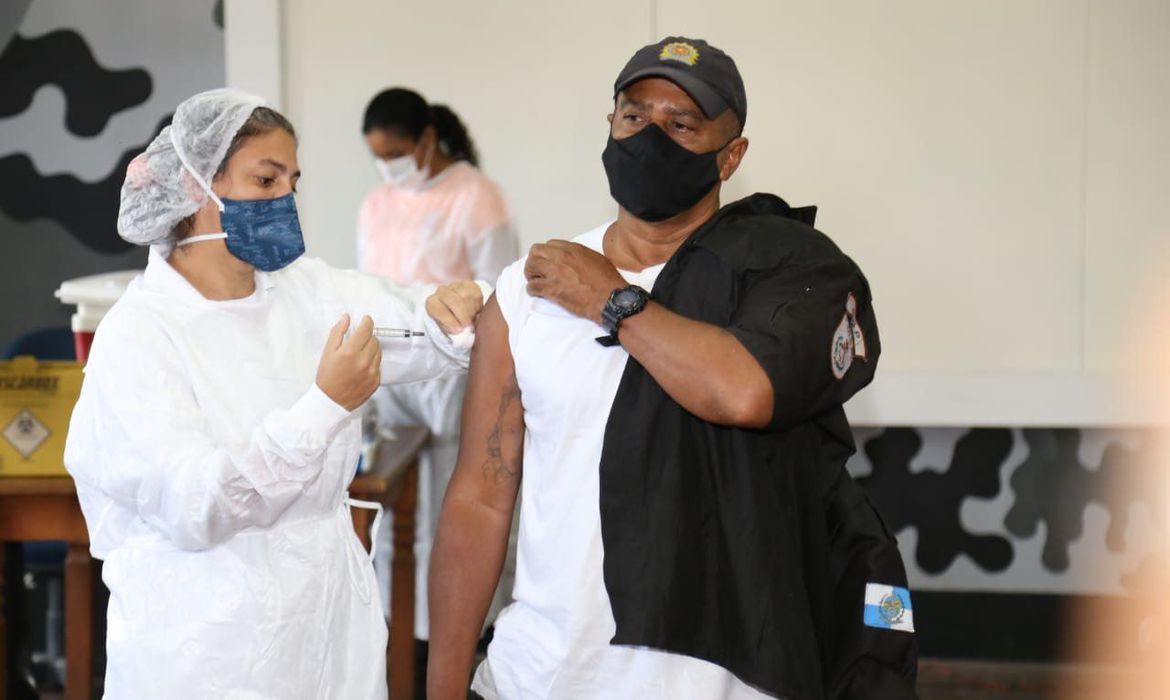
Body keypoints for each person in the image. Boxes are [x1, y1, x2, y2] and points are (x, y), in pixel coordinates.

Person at [427, 37, 918, 699]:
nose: (650, 137)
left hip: (723, 680)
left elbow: (743, 390)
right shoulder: (530, 289)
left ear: (731, 155)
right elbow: (480, 498)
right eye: (634, 116)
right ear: (610, 125)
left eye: (682, 124)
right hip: (539, 675)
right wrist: (442, 685)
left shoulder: (789, 272)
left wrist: (610, 299)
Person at [64, 88, 487, 699]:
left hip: (324, 632)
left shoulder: (302, 291)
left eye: (292, 182)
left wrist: (458, 308)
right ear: (194, 187)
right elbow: (196, 503)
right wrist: (324, 407)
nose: (285, 200)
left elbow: (416, 322)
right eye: (266, 180)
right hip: (204, 648)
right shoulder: (140, 334)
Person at [357, 87, 520, 644]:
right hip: (388, 368)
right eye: (379, 156)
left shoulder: (477, 197)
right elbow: (370, 282)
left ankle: (457, 634)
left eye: (396, 153)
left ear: (427, 139)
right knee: (389, 502)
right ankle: (396, 625)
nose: (389, 166)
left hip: (453, 372)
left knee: (453, 500)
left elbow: (499, 291)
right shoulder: (377, 203)